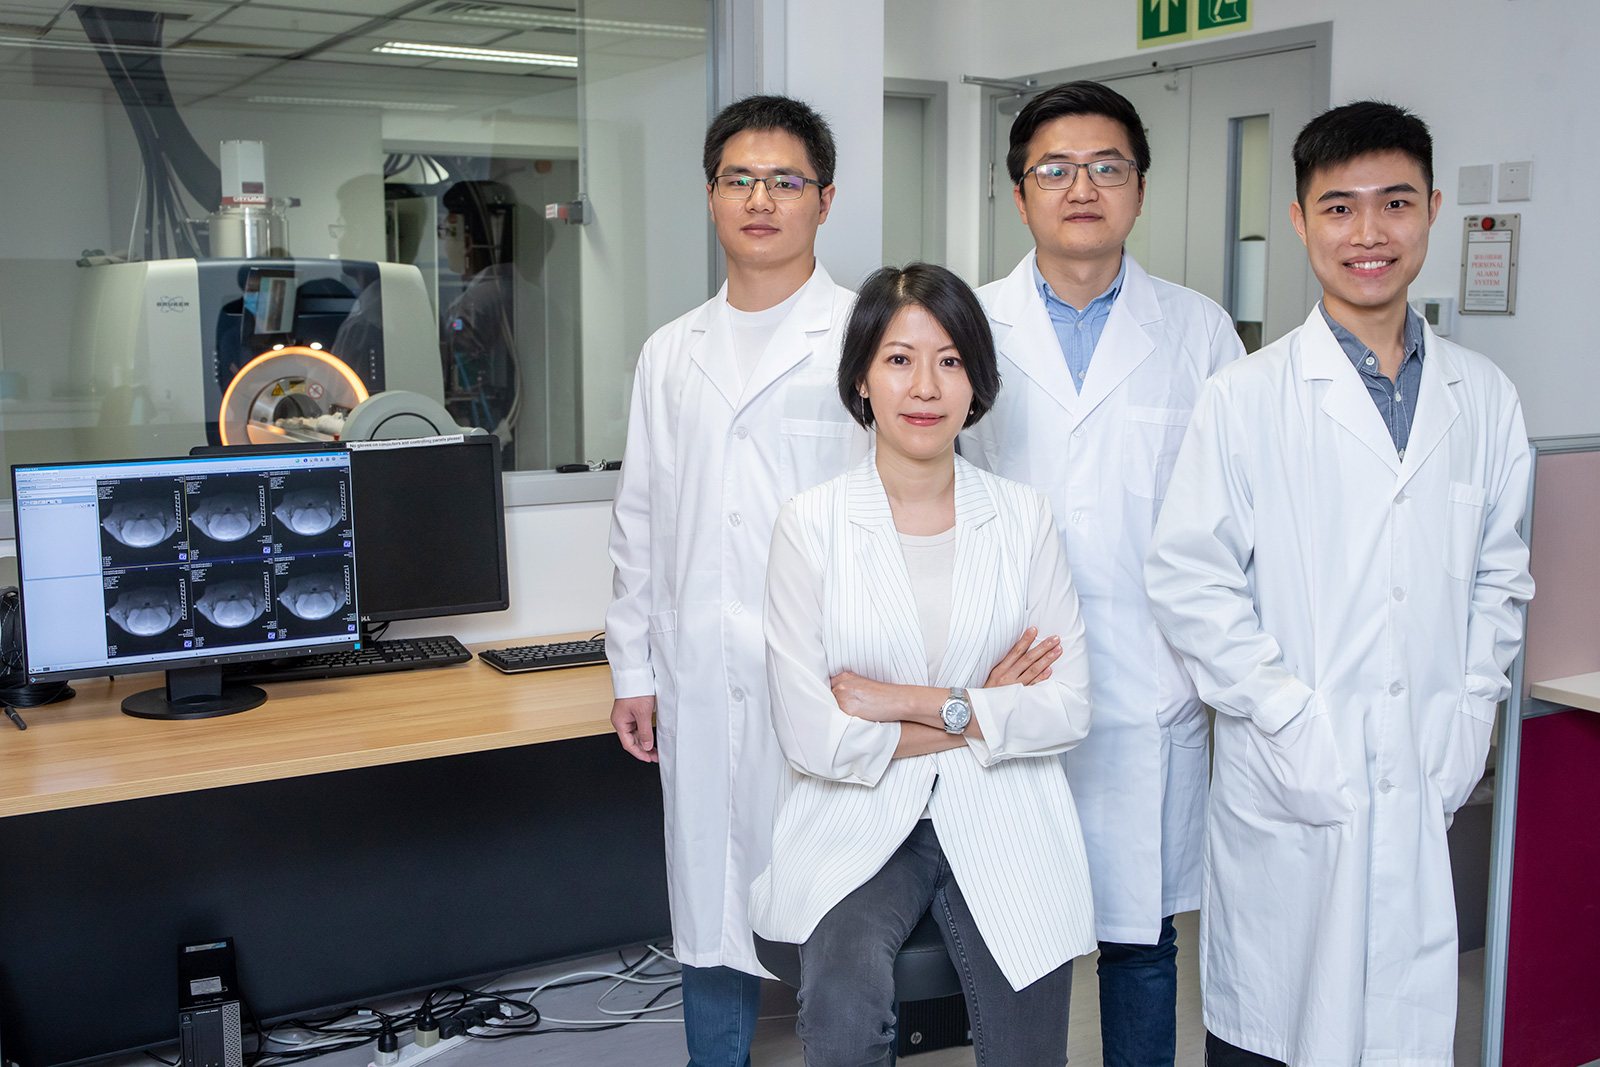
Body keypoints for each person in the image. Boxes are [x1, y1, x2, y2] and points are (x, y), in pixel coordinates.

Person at [1145, 101, 1534, 1066]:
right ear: (1300, 220)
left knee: (1398, 1029)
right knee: (1279, 1031)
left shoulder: (1482, 398)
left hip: (1420, 762)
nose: (1369, 234)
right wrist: (1283, 716)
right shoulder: (1246, 396)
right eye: (1340, 207)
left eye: (1395, 203)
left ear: (1434, 211)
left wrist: (1467, 717)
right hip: (1290, 778)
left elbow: (1500, 574)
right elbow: (1191, 579)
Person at [960, 80, 1245, 1067]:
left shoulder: (1199, 331)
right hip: (1009, 673)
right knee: (1016, 941)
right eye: (1054, 167)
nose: (1081, 186)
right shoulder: (967, 322)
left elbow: (1228, 514)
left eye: (1106, 166)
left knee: (1140, 941)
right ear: (1018, 191)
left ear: (1138, 187)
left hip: (1147, 688)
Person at [750, 263, 1097, 1067]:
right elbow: (812, 735)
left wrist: (900, 700)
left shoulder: (1022, 518)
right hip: (861, 816)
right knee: (840, 1006)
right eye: (899, 358)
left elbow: (1069, 707)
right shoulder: (812, 525)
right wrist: (983, 709)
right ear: (863, 380)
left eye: (949, 359)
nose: (925, 385)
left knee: (1028, 1047)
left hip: (1006, 811)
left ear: (975, 382)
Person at [605, 95, 867, 1067]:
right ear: (711, 197)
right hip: (701, 675)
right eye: (738, 179)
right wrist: (633, 666)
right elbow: (640, 519)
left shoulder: (867, 338)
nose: (761, 199)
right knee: (711, 904)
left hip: (827, 674)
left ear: (825, 199)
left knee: (834, 914)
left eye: (785, 180)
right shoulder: (671, 351)